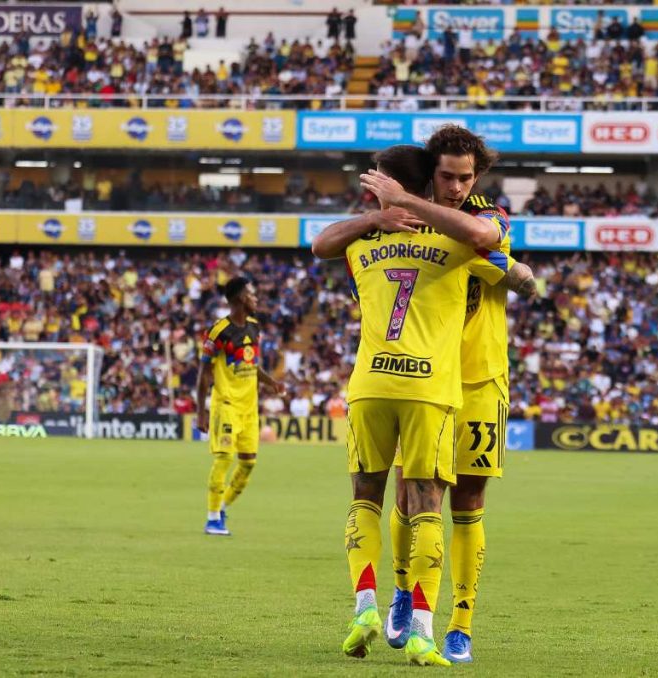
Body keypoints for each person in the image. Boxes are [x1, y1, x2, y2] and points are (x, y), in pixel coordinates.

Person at [313, 127, 535, 665]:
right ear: (427, 171)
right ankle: (403, 595)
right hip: (424, 378)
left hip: (479, 377)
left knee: (467, 502)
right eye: (447, 177)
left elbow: (497, 253)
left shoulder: (486, 216)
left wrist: (513, 270)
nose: (458, 187)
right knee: (410, 495)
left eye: (467, 177)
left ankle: (459, 622)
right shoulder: (390, 224)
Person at [195, 277, 282, 536]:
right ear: (240, 299)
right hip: (226, 404)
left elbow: (251, 365)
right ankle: (212, 519)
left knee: (248, 465)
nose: (256, 299)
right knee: (224, 459)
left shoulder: (255, 328)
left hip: (249, 407)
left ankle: (221, 507)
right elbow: (203, 372)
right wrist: (201, 410)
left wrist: (271, 382)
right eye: (252, 294)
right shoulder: (218, 331)